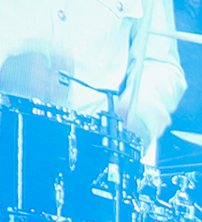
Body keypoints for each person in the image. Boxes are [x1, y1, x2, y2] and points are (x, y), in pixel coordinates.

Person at [0, 0, 185, 150]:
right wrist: (5, 71)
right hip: (5, 137)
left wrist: (137, 116)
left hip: (91, 158)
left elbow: (161, 64)